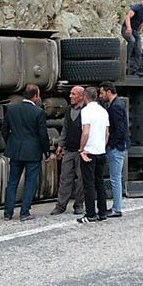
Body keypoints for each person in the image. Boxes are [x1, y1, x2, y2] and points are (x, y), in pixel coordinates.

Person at [1, 84, 50, 221]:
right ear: (35, 96)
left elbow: (4, 130)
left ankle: (8, 213)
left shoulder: (11, 109)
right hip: (32, 151)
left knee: (12, 182)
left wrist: (11, 142)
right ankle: (24, 212)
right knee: (30, 181)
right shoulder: (38, 112)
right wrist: (46, 151)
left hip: (15, 150)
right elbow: (42, 134)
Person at [77, 87, 111, 223]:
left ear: (85, 97)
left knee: (89, 184)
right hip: (101, 151)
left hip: (89, 152)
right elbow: (107, 133)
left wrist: (81, 149)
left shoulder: (86, 111)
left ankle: (90, 213)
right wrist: (101, 146)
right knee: (100, 182)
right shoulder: (104, 111)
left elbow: (85, 132)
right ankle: (102, 212)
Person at [51, 86, 86, 216]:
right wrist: (60, 144)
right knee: (65, 178)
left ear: (81, 97)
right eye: (70, 93)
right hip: (69, 149)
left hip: (82, 150)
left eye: (74, 94)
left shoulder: (86, 111)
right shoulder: (68, 110)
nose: (70, 96)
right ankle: (60, 205)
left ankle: (79, 204)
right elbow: (65, 128)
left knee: (81, 178)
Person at [99, 82, 129, 218]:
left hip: (116, 147)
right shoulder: (118, 104)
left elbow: (119, 129)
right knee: (116, 177)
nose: (101, 96)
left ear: (108, 92)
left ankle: (117, 208)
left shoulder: (115, 107)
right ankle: (116, 206)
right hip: (119, 145)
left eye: (102, 93)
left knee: (115, 178)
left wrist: (111, 144)